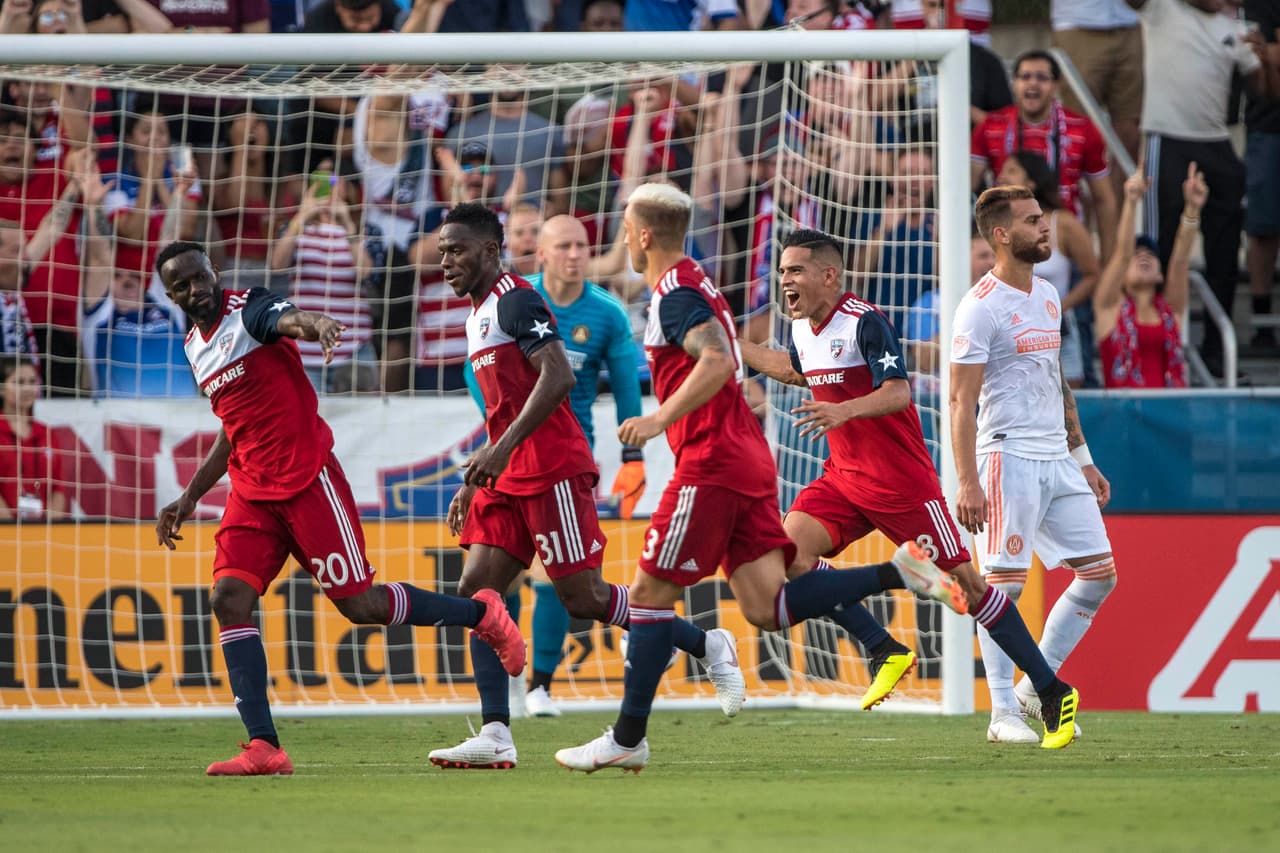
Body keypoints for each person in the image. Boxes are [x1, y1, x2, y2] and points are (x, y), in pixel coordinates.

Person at [554, 184, 968, 773]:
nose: (621, 238)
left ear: (644, 236)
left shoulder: (676, 296)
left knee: (646, 600)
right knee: (765, 607)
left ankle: (627, 737)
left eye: (624, 228)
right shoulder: (697, 284)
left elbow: (719, 359)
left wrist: (657, 418)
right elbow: (745, 359)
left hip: (710, 465)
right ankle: (896, 572)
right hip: (745, 460)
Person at [152, 240, 525, 777]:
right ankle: (264, 747)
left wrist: (318, 324)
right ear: (171, 295)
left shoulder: (248, 309)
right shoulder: (195, 346)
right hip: (253, 494)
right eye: (182, 286)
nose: (196, 290)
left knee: (361, 605)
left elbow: (287, 319)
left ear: (214, 271)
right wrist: (189, 497)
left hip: (308, 482)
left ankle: (483, 615)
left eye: (200, 276)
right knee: (228, 598)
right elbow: (233, 428)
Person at [428, 203, 743, 770]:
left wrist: (497, 453)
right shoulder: (478, 314)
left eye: (456, 250)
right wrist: (482, 476)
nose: (444, 260)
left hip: (551, 467)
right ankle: (497, 732)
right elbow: (504, 409)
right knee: (477, 593)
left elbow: (560, 374)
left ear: (491, 252)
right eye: (442, 250)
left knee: (585, 597)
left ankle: (705, 644)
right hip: (507, 474)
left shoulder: (516, 299)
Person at [741, 228, 1083, 747]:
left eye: (796, 271)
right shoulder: (802, 327)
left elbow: (899, 393)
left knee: (971, 588)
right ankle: (883, 647)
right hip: (844, 479)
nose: (785, 280)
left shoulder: (865, 321)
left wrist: (844, 410)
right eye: (783, 271)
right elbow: (793, 369)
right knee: (788, 555)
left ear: (828, 275)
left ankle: (1052, 691)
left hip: (903, 485)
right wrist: (728, 344)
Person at [951, 186, 1118, 748]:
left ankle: (1032, 687)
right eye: (1031, 222)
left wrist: (1083, 458)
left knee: (1100, 576)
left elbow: (1057, 380)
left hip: (1058, 457)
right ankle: (1002, 713)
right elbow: (960, 401)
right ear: (1001, 235)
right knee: (1002, 589)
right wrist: (968, 480)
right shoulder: (979, 307)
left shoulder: (1047, 293)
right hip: (1007, 456)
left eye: (1042, 219)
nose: (1045, 230)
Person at [464, 213, 647, 718]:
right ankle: (501, 708)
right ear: (540, 253)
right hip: (509, 451)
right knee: (492, 581)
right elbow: (477, 369)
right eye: (563, 245)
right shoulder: (512, 299)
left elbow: (628, 385)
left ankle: (539, 686)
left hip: (564, 456)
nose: (575, 254)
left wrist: (633, 456)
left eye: (582, 245)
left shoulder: (606, 312)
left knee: (558, 581)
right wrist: (500, 440)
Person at [1131, 0, 1266, 377]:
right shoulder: (1161, 7)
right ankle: (1154, 347)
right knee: (1158, 248)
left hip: (1217, 142)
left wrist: (1262, 55)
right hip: (1168, 139)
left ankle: (1215, 353)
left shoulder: (1233, 26)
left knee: (1224, 257)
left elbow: (1265, 91)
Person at [970, 50, 1118, 261]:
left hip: (1064, 241)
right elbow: (968, 187)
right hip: (1006, 239)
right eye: (1025, 76)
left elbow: (1104, 199)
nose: (1033, 84)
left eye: (1041, 77)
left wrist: (1108, 260)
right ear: (1014, 83)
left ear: (1056, 86)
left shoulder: (1083, 129)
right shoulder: (991, 126)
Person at [1095, 163, 1205, 388]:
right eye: (1137, 254)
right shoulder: (1108, 307)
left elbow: (1180, 260)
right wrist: (1131, 200)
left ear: (1160, 276)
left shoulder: (1170, 310)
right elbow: (1122, 254)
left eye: (1150, 254)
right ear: (1121, 275)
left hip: (1168, 417)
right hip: (1125, 419)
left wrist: (1192, 210)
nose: (1143, 256)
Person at [996, 151, 1100, 387]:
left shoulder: (1062, 223)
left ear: (1032, 182)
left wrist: (1059, 307)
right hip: (1008, 328)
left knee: (1066, 404)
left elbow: (1092, 274)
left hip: (1057, 332)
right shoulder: (997, 225)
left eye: (1011, 170)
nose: (1001, 176)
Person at [0, 358, 66, 520]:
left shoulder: (46, 433)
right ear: (2, 389)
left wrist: (48, 526)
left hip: (42, 535)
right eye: (19, 382)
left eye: (32, 381)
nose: (28, 389)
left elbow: (58, 487)